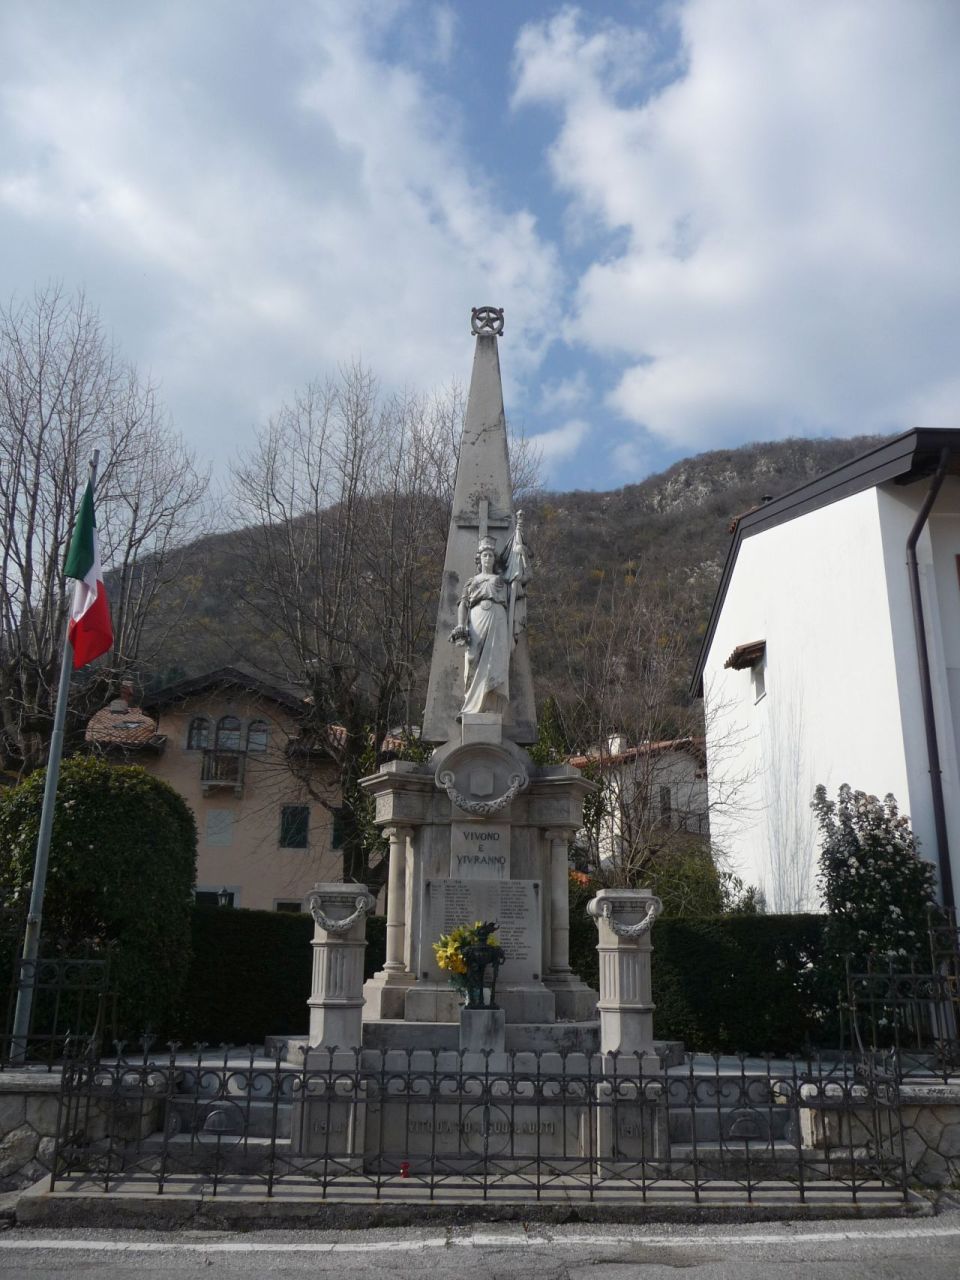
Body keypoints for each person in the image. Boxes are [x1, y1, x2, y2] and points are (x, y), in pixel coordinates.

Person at [449, 535, 511, 714]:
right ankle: (471, 704)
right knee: (472, 658)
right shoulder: (472, 581)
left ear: (494, 559)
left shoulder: (501, 581)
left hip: (497, 619)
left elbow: (513, 595)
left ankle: (489, 705)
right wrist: (461, 625)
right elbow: (463, 604)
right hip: (476, 619)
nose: (488, 558)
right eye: (485, 555)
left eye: (491, 556)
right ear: (479, 558)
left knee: (493, 661)